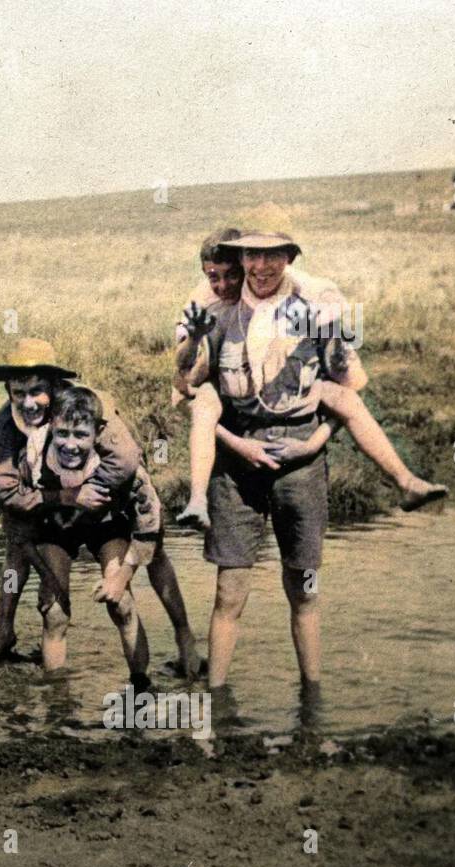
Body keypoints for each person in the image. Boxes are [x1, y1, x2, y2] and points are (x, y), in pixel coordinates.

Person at [182, 216, 363, 690]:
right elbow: (189, 392)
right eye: (251, 255)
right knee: (230, 589)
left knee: (304, 586)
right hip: (236, 468)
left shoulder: (315, 309)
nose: (261, 266)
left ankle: (312, 699)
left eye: (273, 254)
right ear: (239, 259)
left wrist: (315, 442)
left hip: (300, 465)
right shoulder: (216, 310)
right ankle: (216, 699)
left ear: (291, 257)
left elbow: (349, 391)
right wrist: (239, 444)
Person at [174, 223, 447, 531]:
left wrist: (313, 443)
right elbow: (181, 387)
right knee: (204, 402)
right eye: (214, 277)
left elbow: (352, 380)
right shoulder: (206, 303)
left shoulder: (307, 294)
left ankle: (405, 480)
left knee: (343, 397)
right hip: (232, 409)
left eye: (232, 275)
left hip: (293, 409)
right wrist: (236, 442)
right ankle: (197, 499)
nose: (224, 285)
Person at [0, 338, 201, 675]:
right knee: (47, 601)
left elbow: (127, 464)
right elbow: (10, 497)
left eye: (37, 391)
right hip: (53, 512)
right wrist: (66, 498)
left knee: (137, 577)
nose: (28, 403)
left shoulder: (90, 410)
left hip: (109, 507)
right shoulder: (6, 428)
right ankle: (10, 639)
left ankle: (180, 636)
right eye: (18, 393)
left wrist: (91, 492)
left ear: (55, 387)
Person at [16, 385, 156, 687]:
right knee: (53, 610)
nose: (70, 444)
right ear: (51, 425)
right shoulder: (32, 457)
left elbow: (149, 526)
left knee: (121, 604)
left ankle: (141, 685)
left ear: (97, 434)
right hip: (56, 524)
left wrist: (121, 577)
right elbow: (21, 523)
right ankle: (56, 698)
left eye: (81, 435)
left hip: (106, 523)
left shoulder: (122, 465)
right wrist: (45, 574)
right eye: (63, 433)